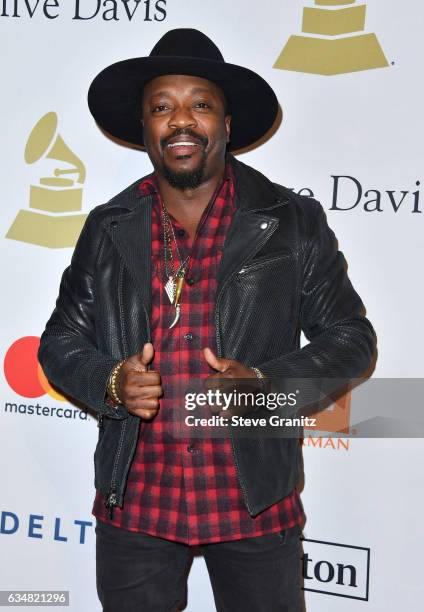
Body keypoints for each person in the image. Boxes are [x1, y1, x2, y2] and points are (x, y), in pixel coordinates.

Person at [38, 28, 376, 612]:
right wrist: (112, 383)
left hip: (253, 498)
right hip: (137, 498)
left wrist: (269, 388)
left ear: (226, 124)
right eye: (161, 107)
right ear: (144, 128)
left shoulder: (291, 221)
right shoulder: (108, 224)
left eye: (200, 104)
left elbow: (351, 339)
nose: (181, 121)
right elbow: (60, 342)